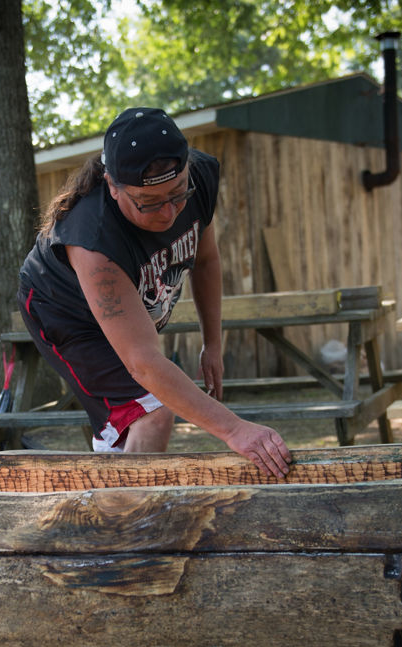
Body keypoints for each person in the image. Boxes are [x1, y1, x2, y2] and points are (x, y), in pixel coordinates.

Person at [17, 107, 292, 478]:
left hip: (126, 309)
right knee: (152, 411)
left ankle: (111, 504)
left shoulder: (199, 176)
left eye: (178, 195)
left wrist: (213, 344)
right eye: (149, 204)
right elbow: (143, 363)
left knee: (135, 421)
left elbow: (206, 260)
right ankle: (127, 522)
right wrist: (236, 430)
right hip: (66, 313)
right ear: (113, 187)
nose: (168, 214)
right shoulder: (92, 237)